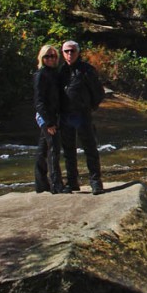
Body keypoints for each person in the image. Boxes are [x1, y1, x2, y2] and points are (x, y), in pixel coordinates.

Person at [59, 40, 105, 195]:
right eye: (66, 51)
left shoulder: (86, 70)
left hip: (82, 114)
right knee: (68, 151)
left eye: (72, 51)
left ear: (78, 52)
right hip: (65, 115)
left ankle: (95, 182)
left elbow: (98, 92)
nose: (69, 54)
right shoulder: (61, 71)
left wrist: (90, 107)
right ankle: (72, 182)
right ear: (62, 53)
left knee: (90, 148)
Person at [33, 44, 69, 194]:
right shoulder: (40, 75)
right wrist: (49, 122)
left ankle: (41, 185)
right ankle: (56, 185)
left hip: (54, 115)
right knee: (54, 149)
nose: (50, 59)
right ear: (42, 58)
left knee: (43, 150)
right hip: (46, 117)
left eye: (53, 56)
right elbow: (39, 101)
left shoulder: (54, 73)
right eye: (47, 56)